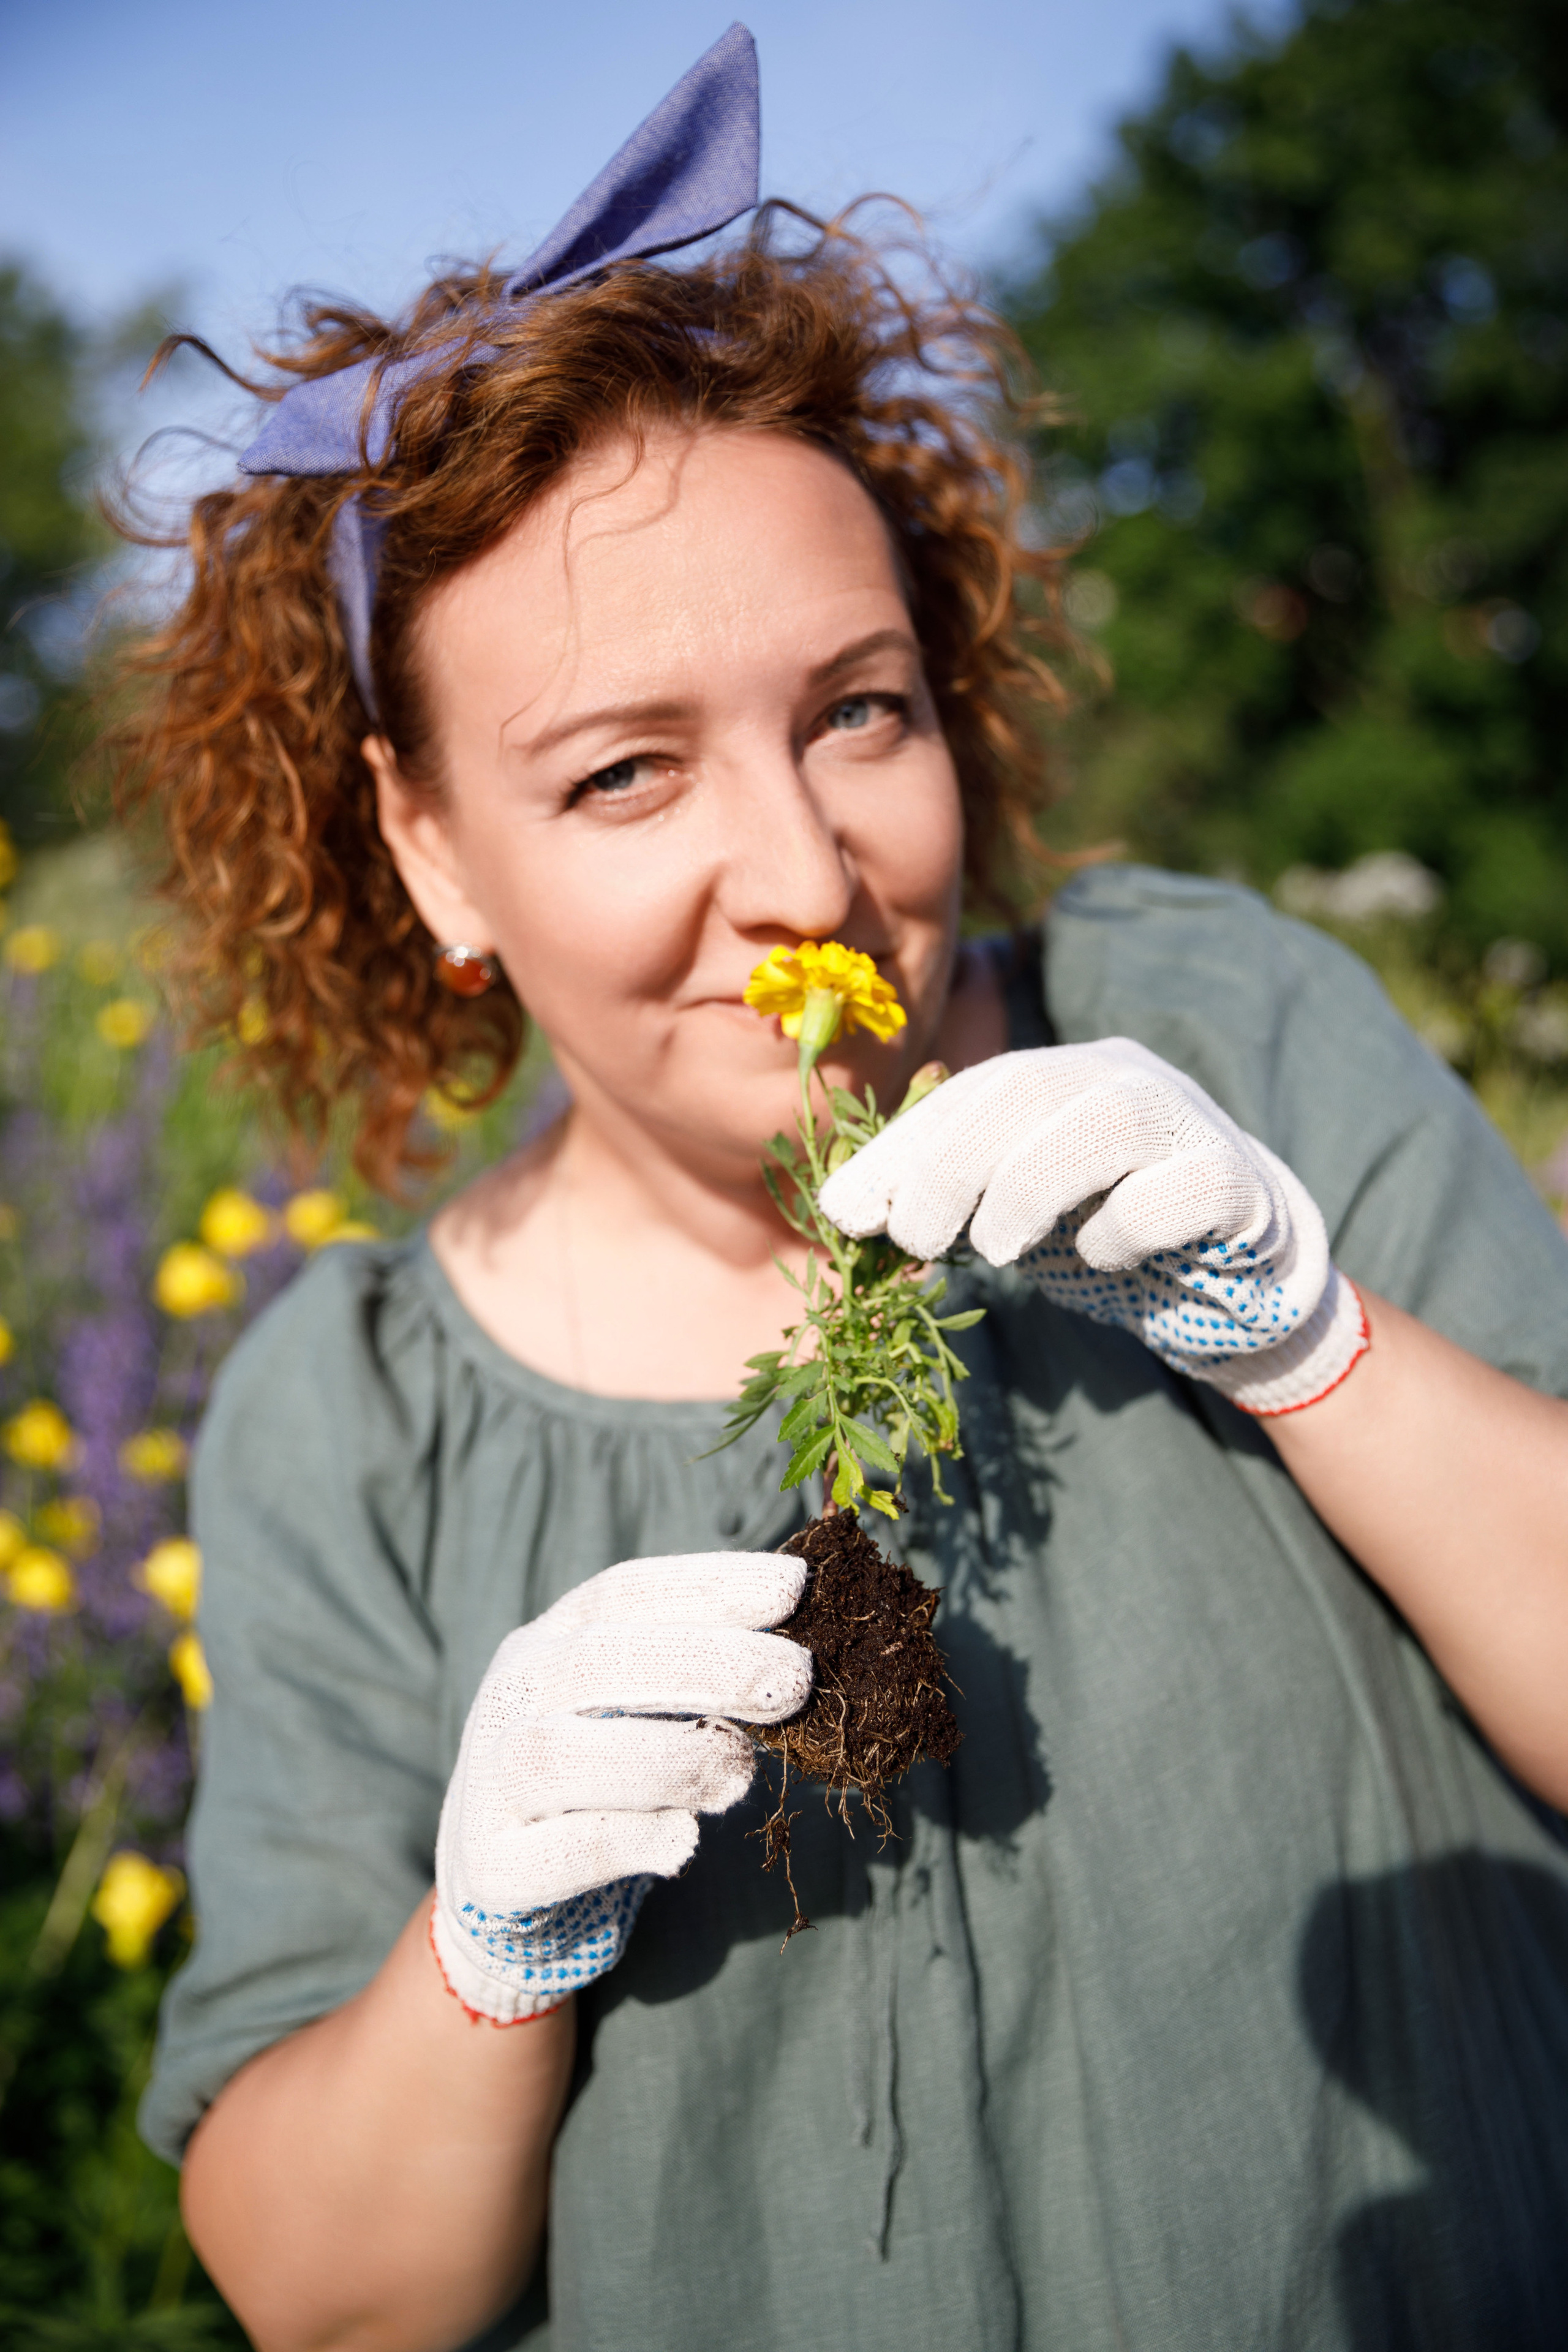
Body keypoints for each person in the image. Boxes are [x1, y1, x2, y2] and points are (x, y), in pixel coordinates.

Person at [118, 28, 1568, 2352]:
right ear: (424, 848)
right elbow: (333, 2300)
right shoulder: (355, 1419)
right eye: (621, 776)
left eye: (859, 709)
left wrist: (1313, 1341)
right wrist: (483, 1950)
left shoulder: (1223, 1036)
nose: (805, 871)